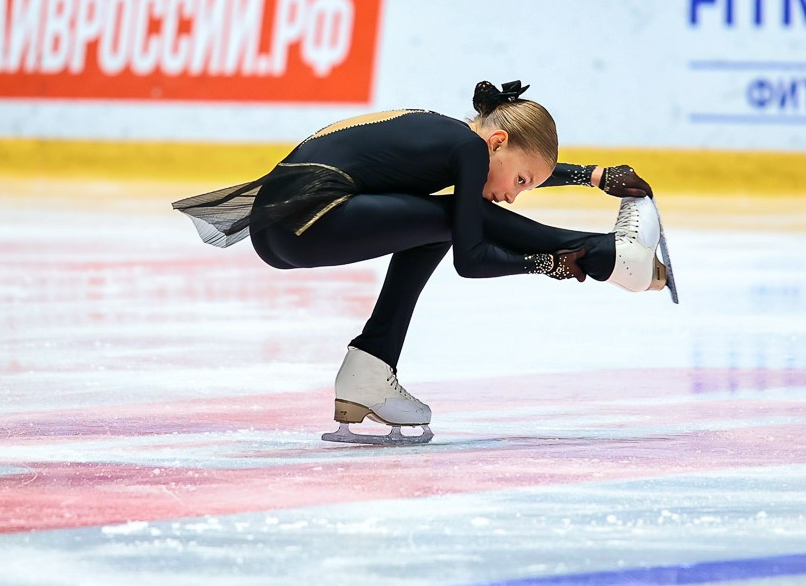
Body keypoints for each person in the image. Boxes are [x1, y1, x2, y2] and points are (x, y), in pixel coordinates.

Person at [173, 80, 666, 444]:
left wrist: (593, 176)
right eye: (521, 182)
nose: (516, 197)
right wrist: (550, 263)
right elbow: (470, 260)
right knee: (453, 217)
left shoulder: (453, 139)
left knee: (432, 227)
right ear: (496, 143)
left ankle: (369, 368)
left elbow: (505, 181)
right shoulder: (470, 148)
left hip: (280, 227)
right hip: (309, 215)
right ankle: (611, 255)